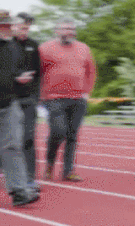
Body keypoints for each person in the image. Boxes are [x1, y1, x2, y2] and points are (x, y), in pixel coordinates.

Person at [0, 10, 39, 207]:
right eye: (8, 26)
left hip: (9, 104)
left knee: (12, 146)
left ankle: (19, 191)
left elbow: (11, 71)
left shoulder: (12, 46)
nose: (11, 29)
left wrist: (19, 78)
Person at [40, 18, 96, 181]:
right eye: (65, 28)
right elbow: (39, 72)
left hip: (78, 98)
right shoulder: (45, 48)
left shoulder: (83, 48)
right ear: (57, 31)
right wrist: (41, 96)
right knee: (58, 131)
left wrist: (87, 92)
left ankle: (68, 170)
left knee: (72, 135)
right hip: (53, 98)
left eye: (72, 28)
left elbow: (90, 71)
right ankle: (50, 164)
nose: (69, 31)